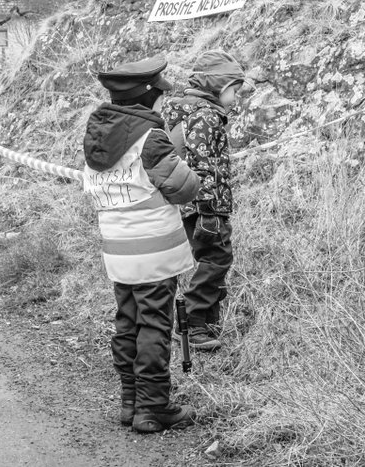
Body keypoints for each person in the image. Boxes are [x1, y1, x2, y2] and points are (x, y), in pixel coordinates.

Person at [82, 56, 201, 434]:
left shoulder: (98, 135)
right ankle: (153, 407)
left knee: (127, 321)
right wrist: (180, 156)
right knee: (154, 322)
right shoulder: (151, 138)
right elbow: (184, 189)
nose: (164, 101)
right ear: (148, 96)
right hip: (153, 251)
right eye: (160, 95)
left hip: (117, 249)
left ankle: (130, 400)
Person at [164, 50, 247, 352]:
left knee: (210, 258)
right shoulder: (206, 116)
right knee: (217, 259)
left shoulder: (183, 111)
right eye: (234, 91)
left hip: (190, 205)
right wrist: (210, 210)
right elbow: (201, 164)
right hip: (205, 207)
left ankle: (208, 326)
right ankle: (195, 323)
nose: (237, 98)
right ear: (218, 86)